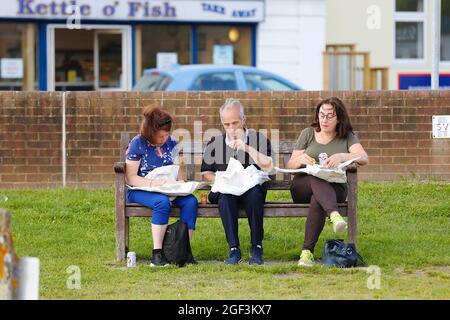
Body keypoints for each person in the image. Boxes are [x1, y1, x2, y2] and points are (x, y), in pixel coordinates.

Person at [287, 97, 369, 267]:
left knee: (318, 198)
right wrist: (301, 158)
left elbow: (364, 158)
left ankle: (306, 253)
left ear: (339, 118)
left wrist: (342, 156)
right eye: (321, 115)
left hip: (334, 189)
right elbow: (290, 164)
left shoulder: (346, 136)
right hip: (303, 187)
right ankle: (334, 214)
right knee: (316, 177)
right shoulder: (308, 133)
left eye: (329, 116)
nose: (324, 120)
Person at [201, 99, 273, 265]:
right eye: (227, 124)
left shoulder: (258, 139)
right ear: (222, 123)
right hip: (227, 189)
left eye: (235, 122)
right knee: (225, 198)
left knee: (255, 195)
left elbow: (269, 166)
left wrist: (246, 148)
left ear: (243, 120)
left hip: (251, 188)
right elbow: (206, 172)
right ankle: (234, 248)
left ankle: (257, 246)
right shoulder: (215, 143)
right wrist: (222, 180)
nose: (231, 128)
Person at [125, 106, 198, 267]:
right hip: (140, 189)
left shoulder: (170, 142)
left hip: (166, 188)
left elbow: (176, 169)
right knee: (161, 202)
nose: (164, 138)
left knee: (191, 202)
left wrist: (181, 184)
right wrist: (154, 183)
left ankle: (183, 251)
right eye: (161, 135)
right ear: (150, 132)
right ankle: (157, 255)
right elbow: (131, 178)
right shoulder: (137, 143)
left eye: (166, 134)